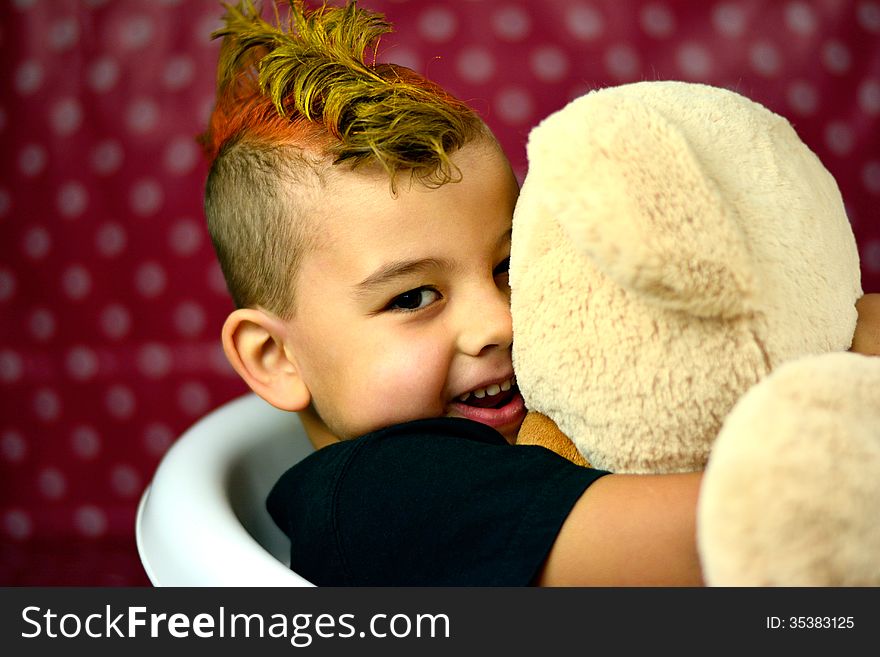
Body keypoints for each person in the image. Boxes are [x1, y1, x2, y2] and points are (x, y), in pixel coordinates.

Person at [199, 1, 880, 586]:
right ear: (273, 356)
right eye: (413, 298)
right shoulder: (381, 492)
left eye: (507, 265)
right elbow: (738, 533)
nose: (499, 319)